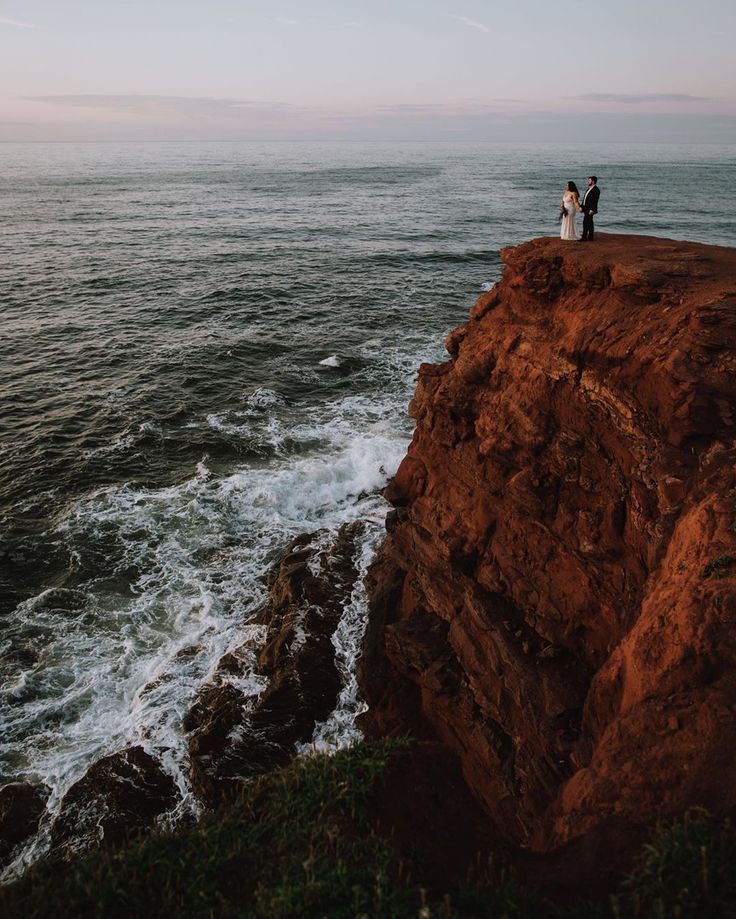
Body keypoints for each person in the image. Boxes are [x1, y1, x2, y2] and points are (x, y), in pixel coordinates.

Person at [579, 176, 600, 241]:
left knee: (585, 222)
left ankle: (584, 237)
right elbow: (585, 199)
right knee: (589, 222)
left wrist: (592, 209)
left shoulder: (596, 190)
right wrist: (581, 207)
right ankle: (590, 237)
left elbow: (595, 201)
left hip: (590, 209)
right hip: (586, 208)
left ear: (593, 181)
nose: (588, 182)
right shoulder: (589, 189)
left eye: (589, 180)